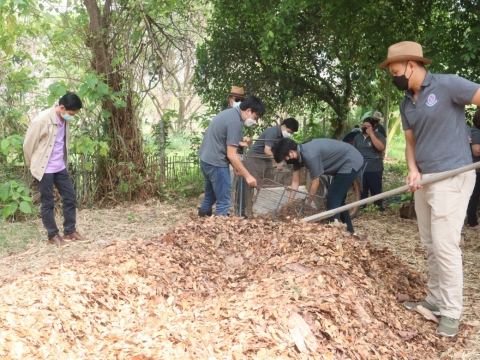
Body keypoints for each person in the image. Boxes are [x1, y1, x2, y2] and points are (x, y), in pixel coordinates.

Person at [379, 41, 480, 337]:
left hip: (453, 175)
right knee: (431, 244)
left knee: (446, 245)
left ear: (412, 65)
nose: (394, 77)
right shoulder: (405, 102)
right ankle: (435, 299)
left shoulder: (449, 85)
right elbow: (411, 143)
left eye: (396, 72)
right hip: (424, 179)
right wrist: (413, 170)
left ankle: (450, 312)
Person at [23, 93, 87, 247]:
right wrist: (34, 165)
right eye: (71, 114)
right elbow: (27, 145)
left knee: (70, 197)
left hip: (60, 166)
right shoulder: (41, 120)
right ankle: (53, 235)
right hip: (44, 168)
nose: (72, 117)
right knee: (48, 202)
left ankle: (70, 231)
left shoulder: (64, 118)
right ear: (62, 107)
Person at [272, 138, 363, 234]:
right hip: (344, 162)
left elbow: (315, 183)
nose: (286, 160)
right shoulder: (297, 157)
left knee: (333, 199)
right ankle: (351, 231)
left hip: (350, 160)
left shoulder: (309, 155)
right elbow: (295, 182)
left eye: (285, 158)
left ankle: (335, 234)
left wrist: (308, 204)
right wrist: (289, 204)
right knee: (338, 199)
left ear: (291, 152)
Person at [197, 95, 265, 216]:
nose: (255, 121)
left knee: (210, 195)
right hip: (216, 163)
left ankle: (202, 224)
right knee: (224, 201)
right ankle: (218, 231)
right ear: (249, 111)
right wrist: (248, 176)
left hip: (206, 160)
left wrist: (236, 166)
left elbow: (225, 144)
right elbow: (232, 155)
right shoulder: (235, 121)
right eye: (256, 117)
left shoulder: (229, 114)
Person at [246, 118, 299, 183]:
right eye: (289, 132)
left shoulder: (282, 136)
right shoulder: (272, 132)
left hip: (267, 158)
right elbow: (267, 150)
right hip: (256, 158)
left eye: (291, 133)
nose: (289, 134)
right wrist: (277, 163)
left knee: (268, 181)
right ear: (284, 126)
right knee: (255, 181)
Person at [353, 117, 386, 211]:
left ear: (373, 126)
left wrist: (371, 134)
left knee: (375, 187)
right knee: (362, 187)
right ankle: (362, 205)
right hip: (361, 166)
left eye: (368, 126)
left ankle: (378, 206)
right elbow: (354, 151)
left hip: (374, 166)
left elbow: (381, 148)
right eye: (364, 126)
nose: (366, 128)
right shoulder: (357, 137)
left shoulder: (378, 135)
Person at [466, 109, 480, 230]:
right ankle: (472, 222)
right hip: (476, 170)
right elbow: (476, 151)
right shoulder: (476, 131)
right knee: (474, 196)